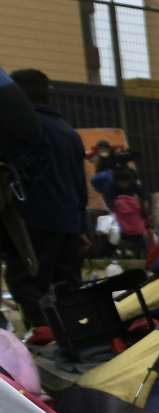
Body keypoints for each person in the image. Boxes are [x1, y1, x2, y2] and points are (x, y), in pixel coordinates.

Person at [0, 68, 86, 330]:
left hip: (35, 218)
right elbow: (80, 184)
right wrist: (82, 225)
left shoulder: (22, 128)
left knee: (26, 279)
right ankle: (76, 335)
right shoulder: (68, 132)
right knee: (66, 286)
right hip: (69, 222)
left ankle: (43, 335)